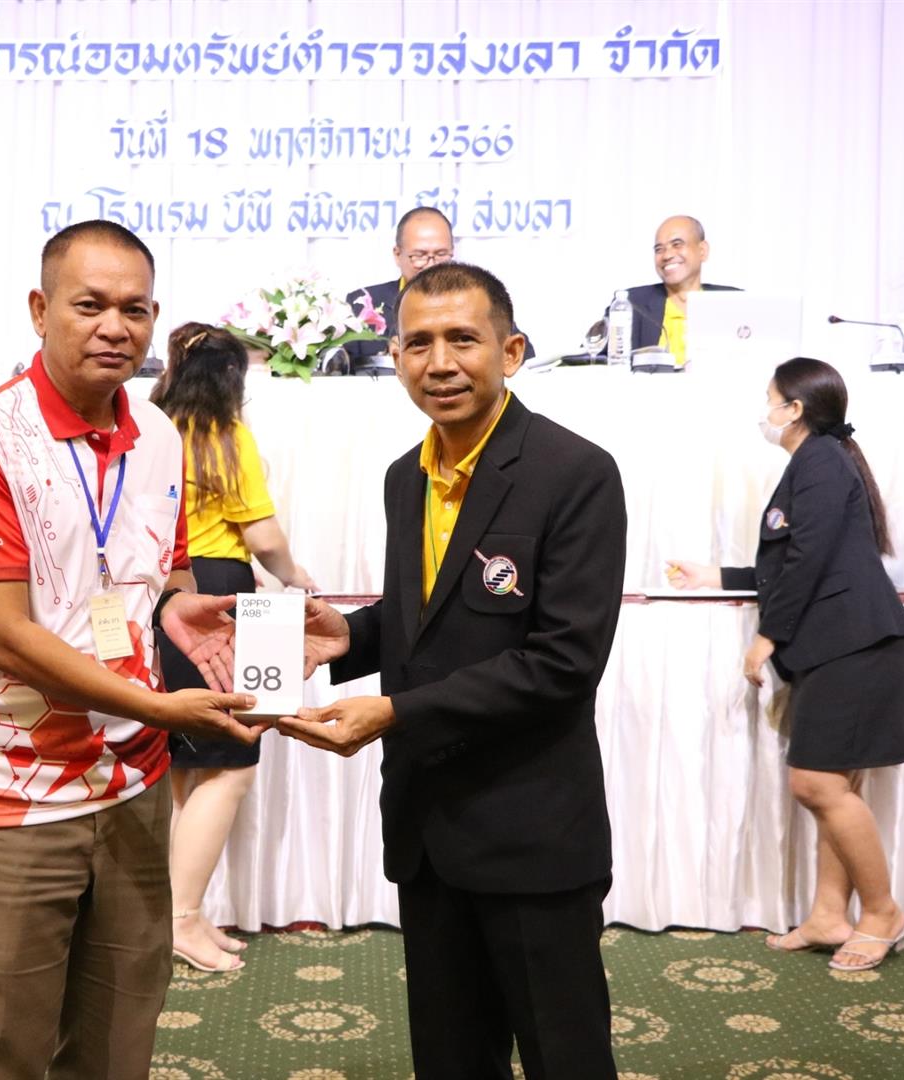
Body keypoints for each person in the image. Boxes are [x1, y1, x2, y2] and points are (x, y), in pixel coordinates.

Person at [0, 219, 258, 1080]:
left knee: (119, 1034)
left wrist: (179, 609)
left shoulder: (160, 437)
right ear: (40, 310)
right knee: (6, 1043)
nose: (115, 327)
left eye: (134, 310)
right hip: (9, 785)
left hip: (131, 778)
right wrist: (156, 705)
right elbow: (3, 632)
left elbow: (157, 575)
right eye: (89, 305)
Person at [283, 262, 626, 1079]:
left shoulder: (574, 473)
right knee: (450, 1060)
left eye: (463, 340)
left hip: (532, 831)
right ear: (396, 357)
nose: (440, 363)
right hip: (428, 829)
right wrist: (350, 638)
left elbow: (564, 661)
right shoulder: (405, 476)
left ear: (511, 351)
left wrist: (394, 713)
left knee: (565, 1059)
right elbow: (430, 619)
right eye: (419, 343)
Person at [666, 356, 904, 972]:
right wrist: (715, 575)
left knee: (816, 784)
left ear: (795, 408)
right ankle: (829, 915)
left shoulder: (822, 461)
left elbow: (809, 557)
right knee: (837, 785)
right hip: (841, 644)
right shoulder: (816, 462)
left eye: (771, 400)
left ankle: (882, 912)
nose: (766, 411)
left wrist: (767, 636)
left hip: (855, 645)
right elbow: (792, 560)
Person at [148, 322, 318, 973]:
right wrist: (296, 577)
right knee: (232, 763)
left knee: (184, 766)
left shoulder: (152, 429)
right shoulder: (226, 435)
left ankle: (175, 913)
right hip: (217, 595)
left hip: (160, 596)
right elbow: (263, 536)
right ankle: (180, 918)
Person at [346, 207, 534, 364]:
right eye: (419, 256)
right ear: (397, 254)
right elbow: (341, 369)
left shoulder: (479, 300)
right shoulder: (363, 304)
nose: (431, 265)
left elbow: (521, 354)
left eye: (441, 254)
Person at [607, 215, 740, 365]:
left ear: (702, 250)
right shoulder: (632, 304)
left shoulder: (734, 303)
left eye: (677, 245)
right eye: (659, 249)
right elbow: (598, 360)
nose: (667, 255)